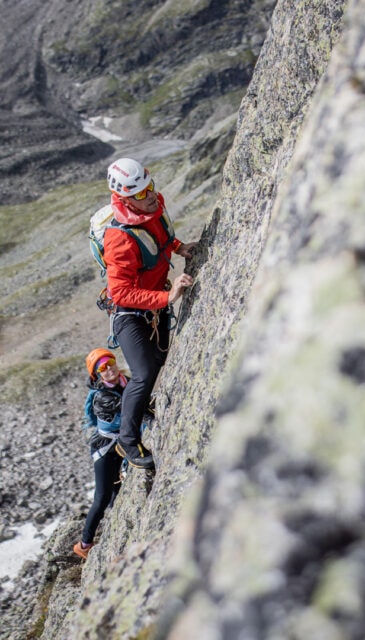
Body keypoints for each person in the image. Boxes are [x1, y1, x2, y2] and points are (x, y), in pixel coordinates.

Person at [103, 158, 197, 469]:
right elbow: (121, 293)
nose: (152, 195)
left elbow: (160, 240)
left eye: (150, 186)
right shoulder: (118, 239)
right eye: (142, 193)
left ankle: (141, 406)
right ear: (125, 198)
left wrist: (179, 246)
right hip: (128, 313)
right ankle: (127, 442)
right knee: (143, 373)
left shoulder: (151, 208)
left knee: (158, 359)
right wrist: (166, 297)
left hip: (152, 305)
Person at [74, 348, 129, 560]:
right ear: (97, 375)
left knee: (118, 491)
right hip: (105, 449)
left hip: (118, 444)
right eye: (102, 368)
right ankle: (84, 544)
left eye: (110, 363)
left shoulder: (125, 382)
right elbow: (128, 407)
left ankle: (119, 532)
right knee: (102, 496)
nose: (109, 370)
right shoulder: (101, 397)